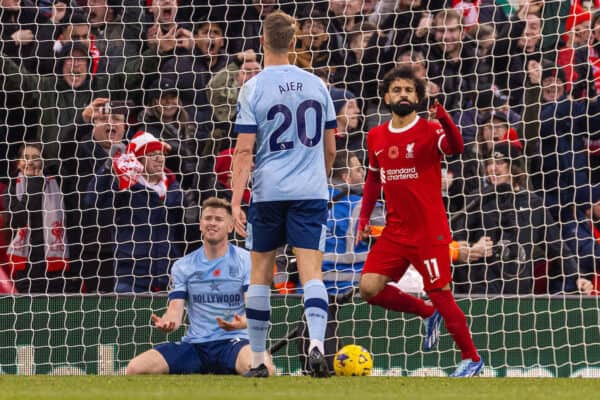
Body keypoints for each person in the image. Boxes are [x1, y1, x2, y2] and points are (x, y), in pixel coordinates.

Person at [356, 66, 483, 377]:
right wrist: (362, 218)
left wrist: (443, 116)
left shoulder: (429, 129)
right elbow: (374, 181)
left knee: (441, 291)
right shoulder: (376, 136)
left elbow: (456, 147)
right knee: (368, 288)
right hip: (395, 232)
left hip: (429, 232)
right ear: (386, 97)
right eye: (397, 90)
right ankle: (427, 314)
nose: (403, 95)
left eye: (409, 90)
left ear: (418, 97)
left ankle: (472, 358)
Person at [231, 10, 337, 378]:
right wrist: (318, 180)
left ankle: (259, 360)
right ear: (294, 43)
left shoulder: (253, 87)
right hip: (309, 191)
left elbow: (244, 151)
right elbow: (331, 147)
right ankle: (317, 347)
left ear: (263, 42)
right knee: (312, 274)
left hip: (268, 192)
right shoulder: (317, 85)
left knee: (260, 274)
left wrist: (233, 202)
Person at [126, 197, 274, 376]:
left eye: (218, 219)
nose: (212, 223)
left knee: (264, 369)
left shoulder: (246, 261)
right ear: (200, 224)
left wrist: (241, 323)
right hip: (195, 346)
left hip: (234, 343)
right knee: (135, 368)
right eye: (208, 218)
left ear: (230, 227)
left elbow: (252, 307)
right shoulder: (183, 266)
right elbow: (175, 310)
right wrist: (168, 322)